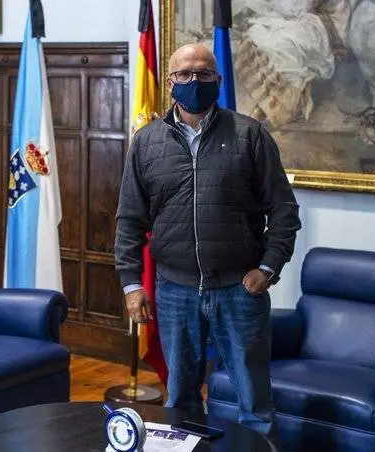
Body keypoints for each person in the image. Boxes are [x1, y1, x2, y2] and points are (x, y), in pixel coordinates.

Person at [114, 44, 301, 437]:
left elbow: (283, 210)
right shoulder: (146, 143)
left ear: (217, 79)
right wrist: (132, 284)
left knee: (254, 402)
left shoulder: (250, 135)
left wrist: (269, 267)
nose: (193, 81)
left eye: (202, 73)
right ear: (170, 82)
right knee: (179, 399)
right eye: (184, 74)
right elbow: (130, 220)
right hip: (174, 290)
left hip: (239, 291)